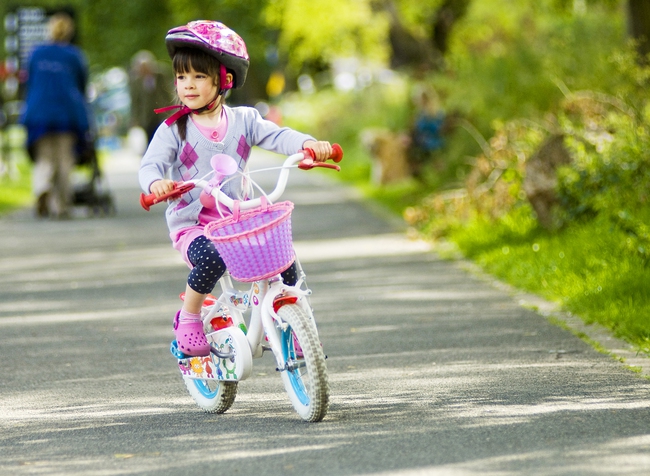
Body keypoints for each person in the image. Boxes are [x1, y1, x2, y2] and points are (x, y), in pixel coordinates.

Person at [138, 20, 333, 356]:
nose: (188, 85)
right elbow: (150, 165)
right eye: (182, 77)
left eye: (199, 76)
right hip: (195, 227)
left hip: (237, 218)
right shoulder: (175, 129)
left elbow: (279, 136)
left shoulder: (244, 120)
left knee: (284, 258)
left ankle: (293, 319)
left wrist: (309, 145)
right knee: (211, 259)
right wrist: (157, 183)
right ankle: (189, 317)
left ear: (223, 79)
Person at [20, 12, 90, 219]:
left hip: (38, 112)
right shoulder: (74, 56)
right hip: (67, 114)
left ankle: (42, 187)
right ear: (69, 32)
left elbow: (27, 82)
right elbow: (82, 86)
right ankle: (61, 206)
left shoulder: (35, 54)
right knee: (64, 160)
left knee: (44, 158)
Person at [128, 50, 172, 144]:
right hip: (147, 118)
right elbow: (135, 101)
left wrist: (171, 110)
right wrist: (135, 119)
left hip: (162, 115)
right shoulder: (137, 81)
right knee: (151, 141)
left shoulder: (161, 75)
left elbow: (168, 93)